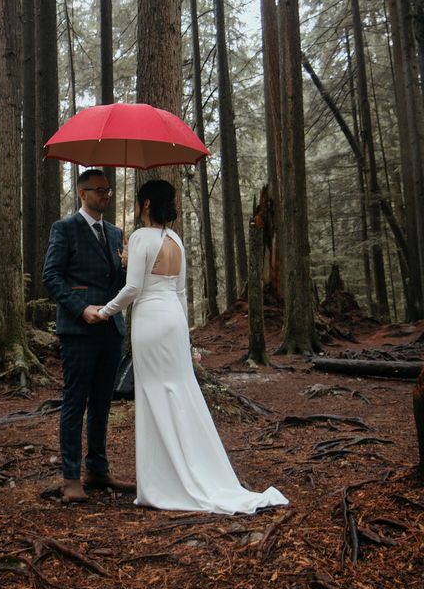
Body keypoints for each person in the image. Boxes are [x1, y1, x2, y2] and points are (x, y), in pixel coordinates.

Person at [96, 179, 288, 514]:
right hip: (172, 320)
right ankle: (196, 470)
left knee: (154, 394)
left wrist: (104, 311)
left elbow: (133, 290)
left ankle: (162, 482)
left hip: (151, 321)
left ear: (145, 205)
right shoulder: (176, 241)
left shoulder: (141, 237)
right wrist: (185, 337)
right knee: (180, 392)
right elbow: (181, 293)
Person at [42, 168, 135, 503]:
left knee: (102, 402)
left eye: (108, 190)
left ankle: (97, 467)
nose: (106, 196)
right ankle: (70, 476)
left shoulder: (115, 233)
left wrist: (126, 265)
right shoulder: (64, 229)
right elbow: (51, 276)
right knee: (74, 401)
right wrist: (81, 309)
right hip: (79, 330)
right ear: (82, 194)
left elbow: (119, 282)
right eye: (99, 191)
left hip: (111, 329)